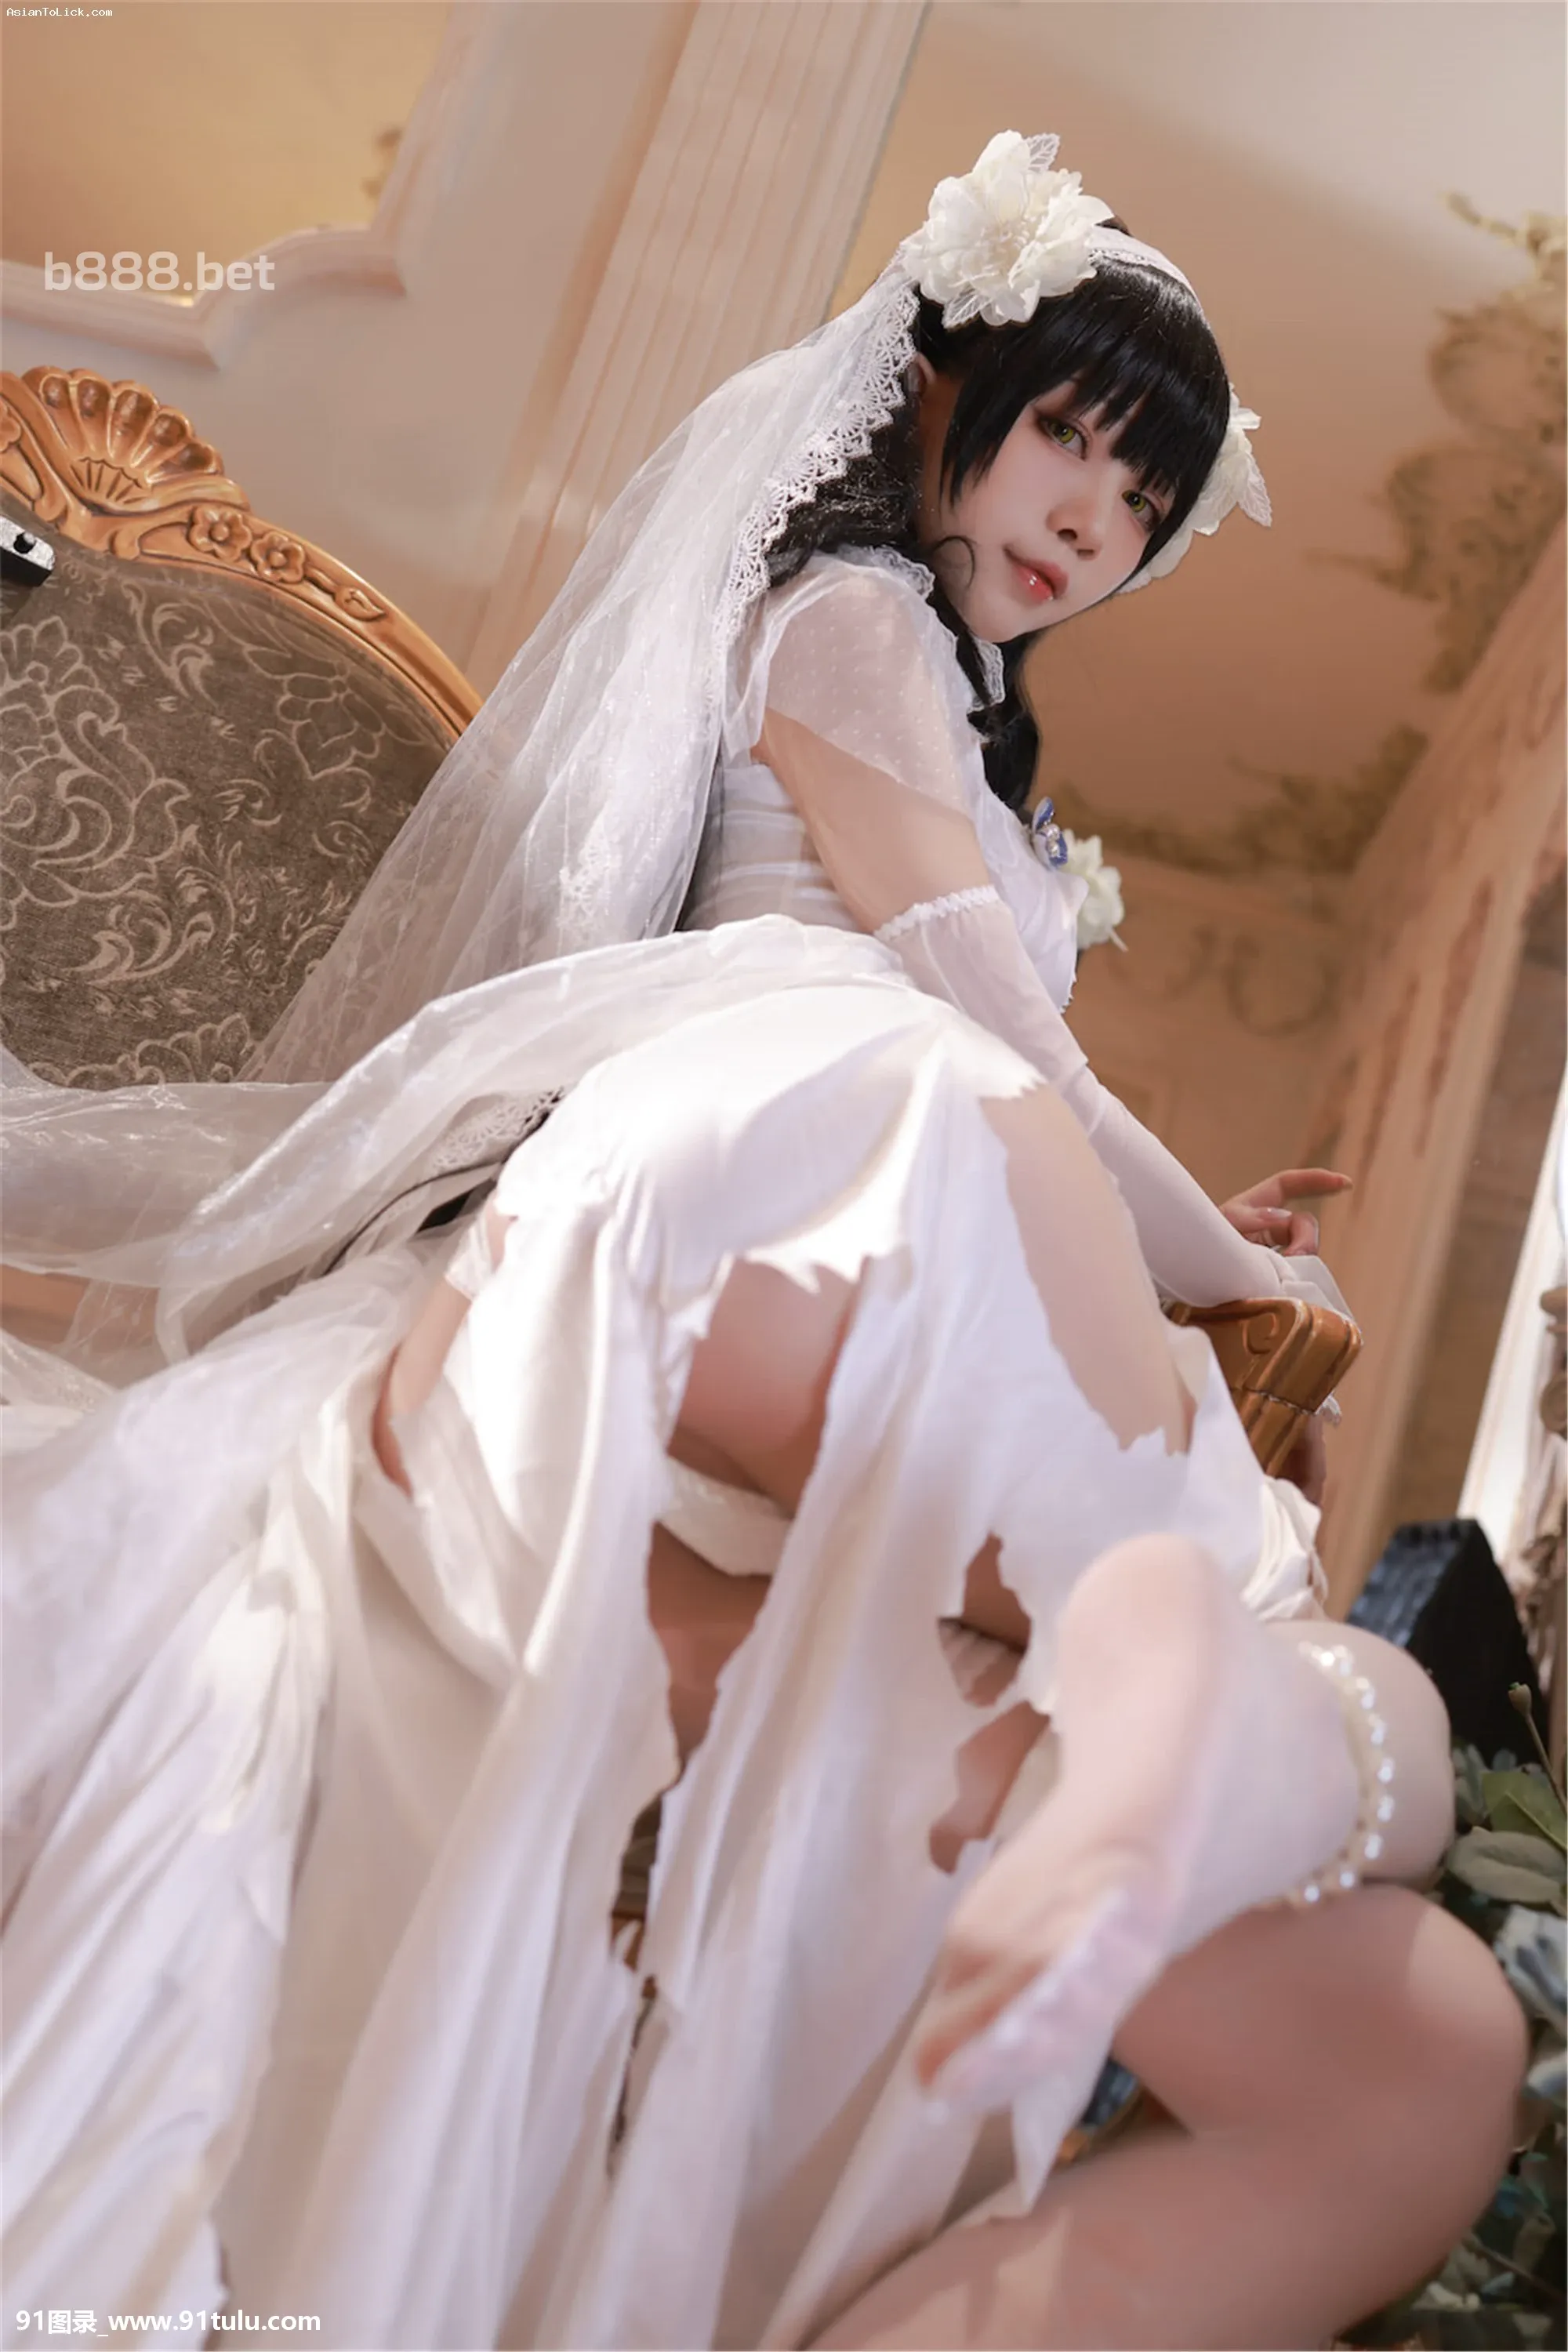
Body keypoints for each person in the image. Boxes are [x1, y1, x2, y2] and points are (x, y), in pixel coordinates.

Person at [1, 134, 1523, 2350]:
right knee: (1229, 1610)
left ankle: (1155, 1728)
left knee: (1366, 1890)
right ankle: (1164, 1693)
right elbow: (991, 1021)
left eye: (1141, 499)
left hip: (878, 1193)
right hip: (818, 1135)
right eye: (1067, 438)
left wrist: (1205, 1242)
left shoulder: (971, 731)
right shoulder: (850, 621)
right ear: (946, 393)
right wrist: (1231, 1262)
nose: (1089, 520)